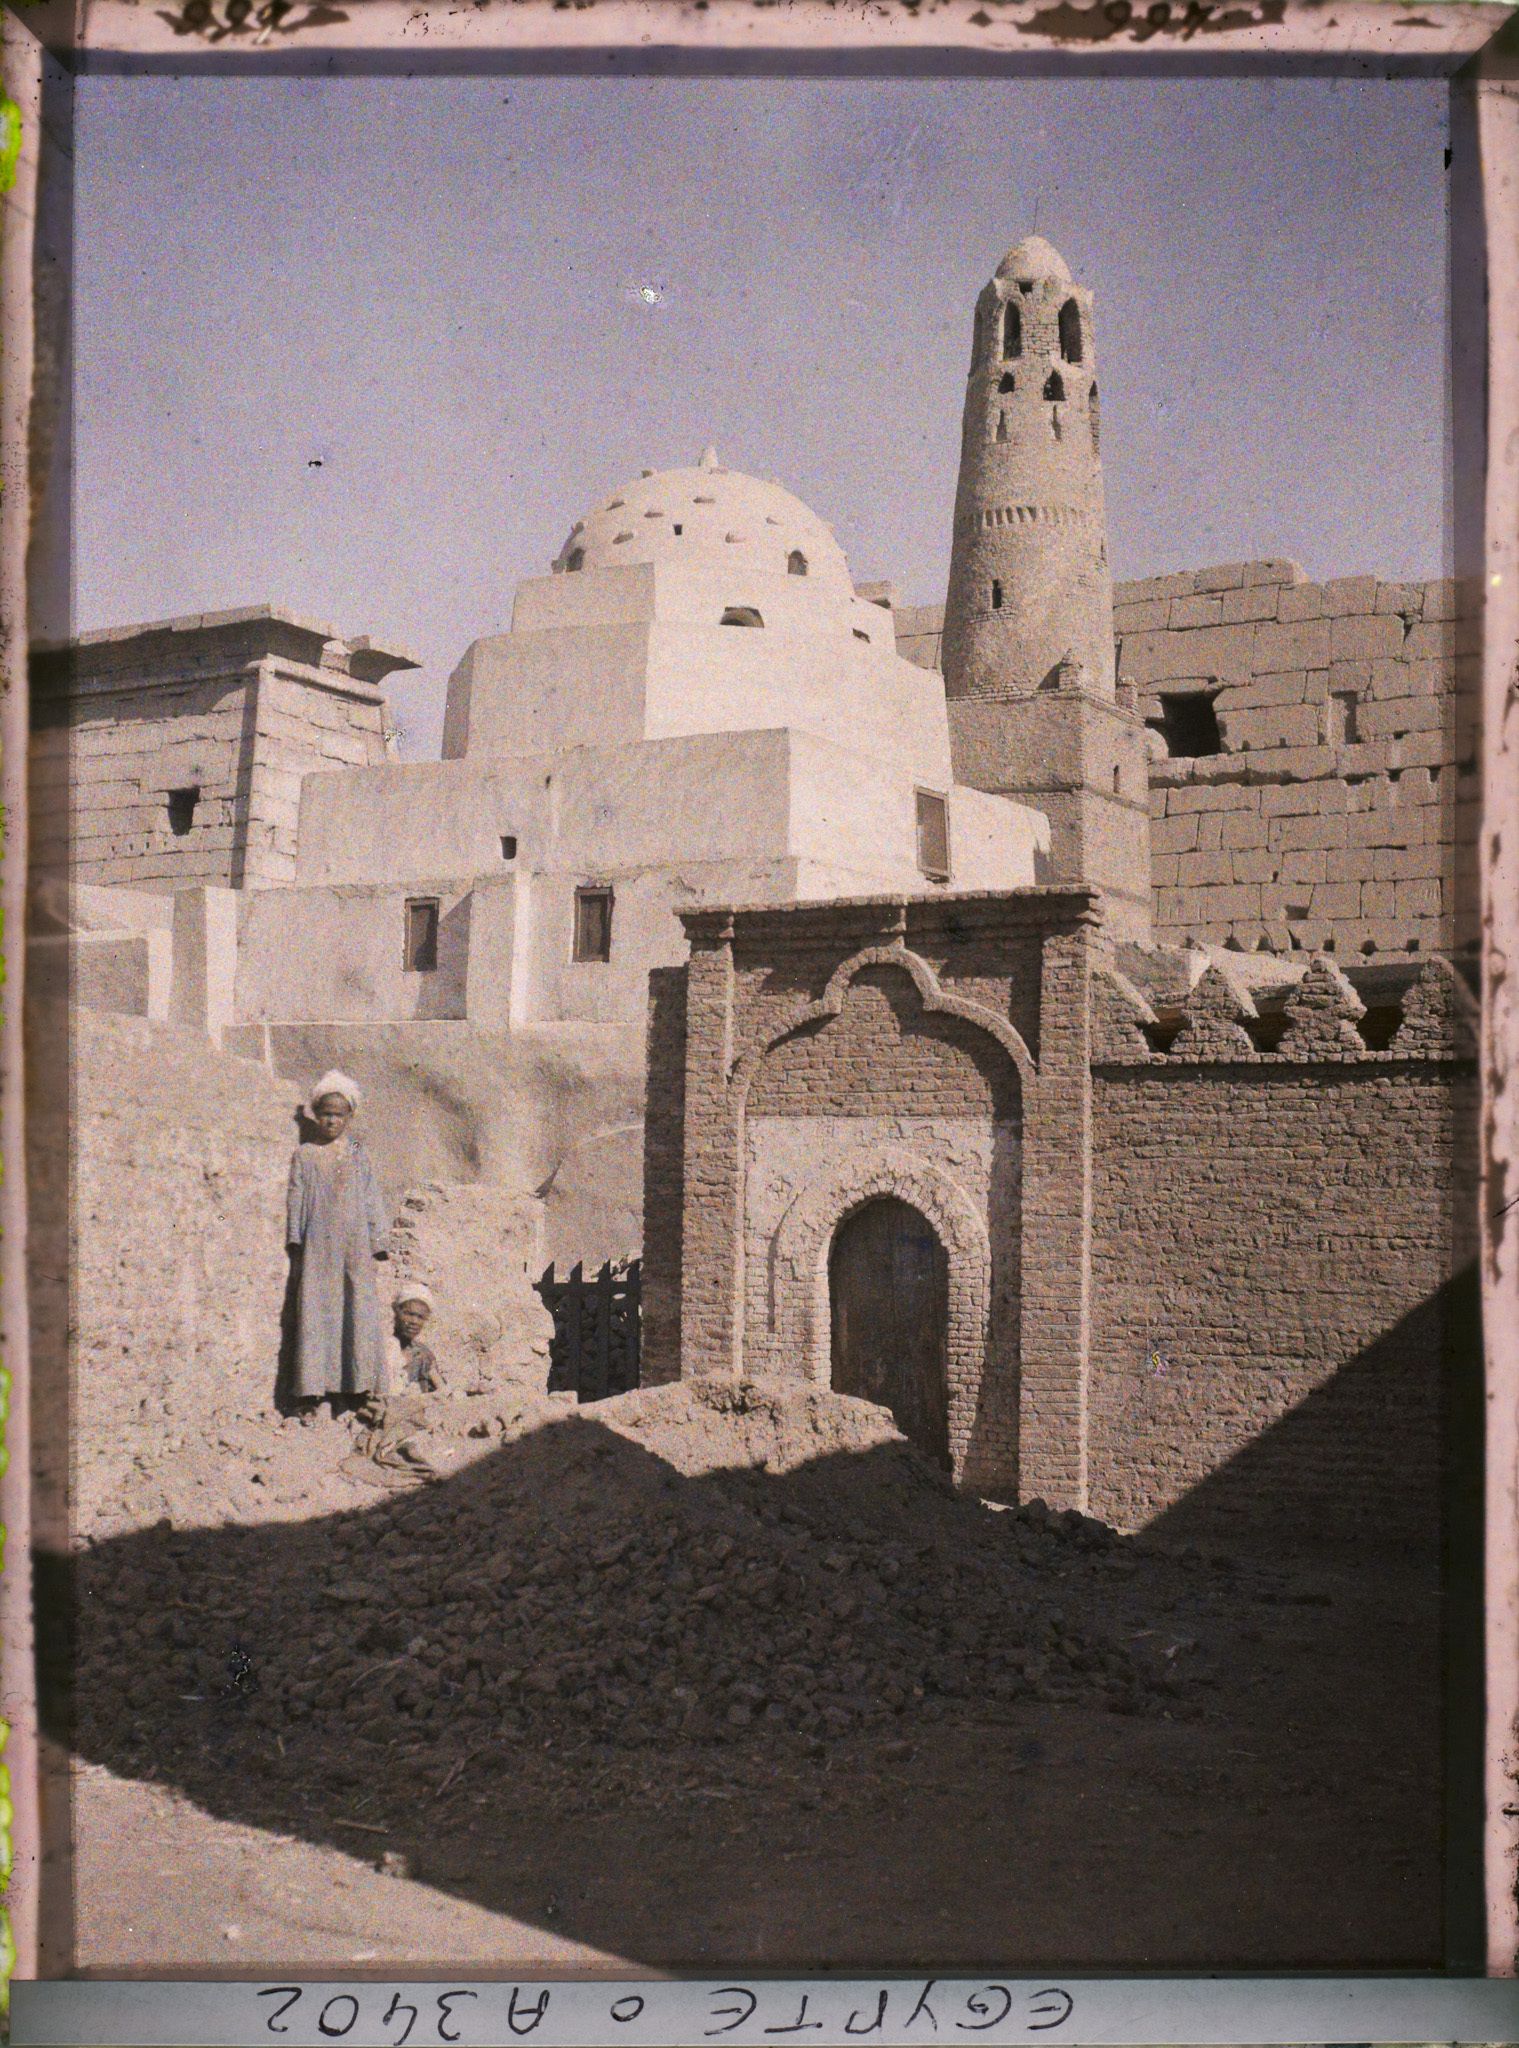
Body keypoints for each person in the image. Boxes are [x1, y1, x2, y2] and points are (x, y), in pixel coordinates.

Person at [286, 1070, 391, 1414]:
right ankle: (312, 1391)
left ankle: (357, 1388)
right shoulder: (305, 1154)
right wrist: (296, 1238)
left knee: (356, 1309)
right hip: (318, 1245)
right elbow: (297, 1196)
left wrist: (378, 1239)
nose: (332, 1120)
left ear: (350, 1117)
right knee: (316, 1311)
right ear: (316, 1114)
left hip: (354, 1245)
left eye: (339, 1114)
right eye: (326, 1113)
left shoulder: (358, 1152)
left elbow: (372, 1194)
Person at [390, 1280, 442, 1392]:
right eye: (409, 1314)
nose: (414, 1321)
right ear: (396, 1311)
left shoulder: (423, 1354)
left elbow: (443, 1390)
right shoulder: (383, 1349)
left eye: (420, 1317)